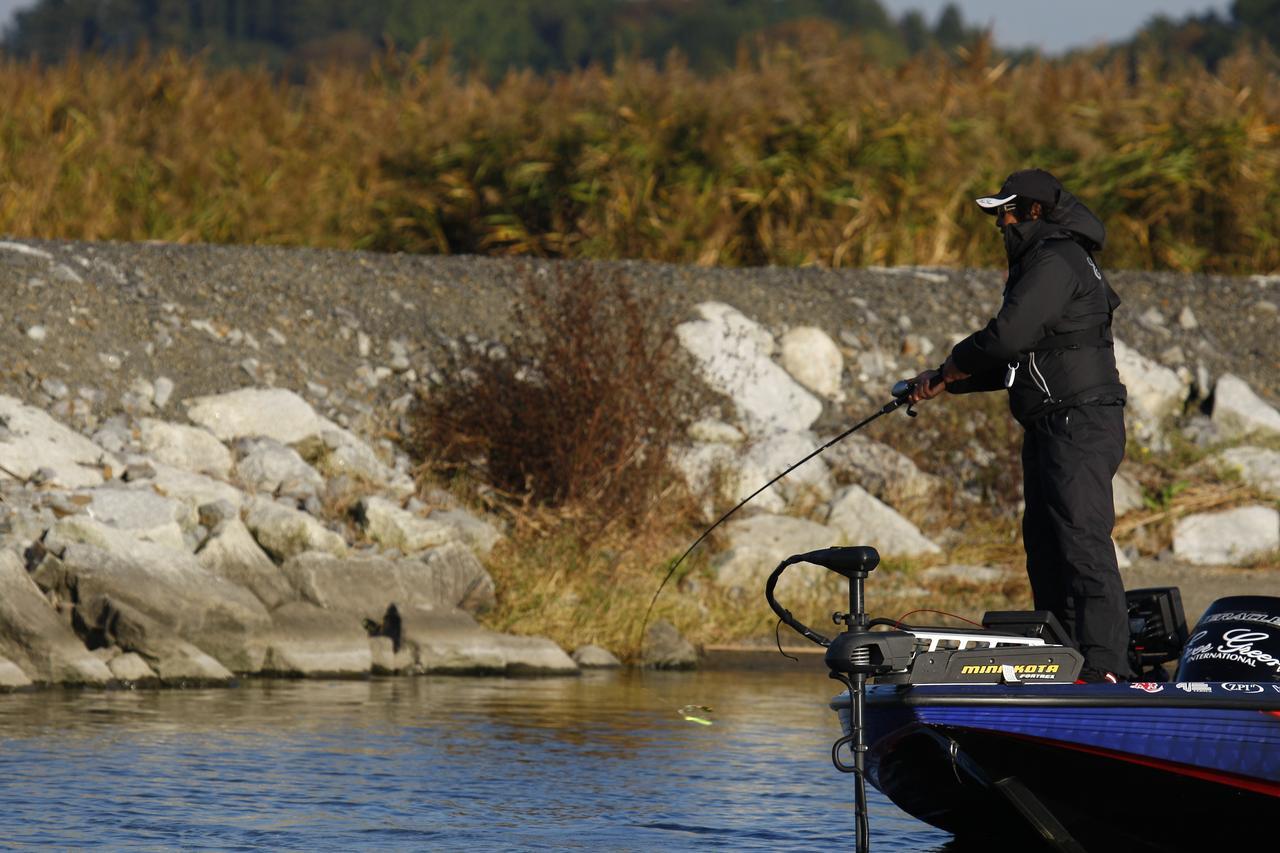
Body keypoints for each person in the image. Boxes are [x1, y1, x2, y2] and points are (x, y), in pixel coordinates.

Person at [908, 168, 1132, 683]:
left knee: (1081, 543)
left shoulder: (1055, 258)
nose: (999, 224)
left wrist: (950, 365)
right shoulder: (1045, 259)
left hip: (1080, 420)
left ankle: (1105, 672)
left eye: (1005, 212)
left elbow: (1006, 337)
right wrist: (948, 381)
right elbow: (1024, 358)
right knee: (1047, 546)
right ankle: (1063, 664)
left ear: (1033, 211)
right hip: (1053, 422)